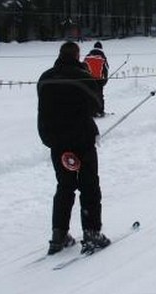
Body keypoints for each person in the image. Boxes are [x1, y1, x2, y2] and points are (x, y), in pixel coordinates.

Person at [37, 41, 110, 255]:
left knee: (65, 186)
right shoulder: (82, 77)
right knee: (89, 186)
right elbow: (97, 104)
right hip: (81, 139)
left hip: (56, 142)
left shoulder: (45, 78)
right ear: (78, 56)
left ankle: (58, 234)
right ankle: (91, 232)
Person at [83, 41, 109, 117]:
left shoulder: (88, 56)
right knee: (99, 95)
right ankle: (100, 111)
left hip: (88, 79)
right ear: (101, 48)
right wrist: (105, 80)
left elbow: (83, 66)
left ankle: (90, 111)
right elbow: (106, 68)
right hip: (99, 79)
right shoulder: (102, 56)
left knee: (89, 94)